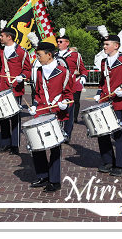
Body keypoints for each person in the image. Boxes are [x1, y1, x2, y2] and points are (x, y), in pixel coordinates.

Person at [27, 40, 73, 192]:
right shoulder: (39, 71)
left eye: (39, 55)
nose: (37, 58)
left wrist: (65, 103)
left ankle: (54, 180)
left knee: (54, 147)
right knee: (37, 145)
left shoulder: (64, 72)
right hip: (41, 111)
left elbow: (68, 94)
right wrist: (34, 105)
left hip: (57, 113)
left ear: (49, 55)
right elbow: (38, 93)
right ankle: (42, 176)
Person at [93, 26, 122, 177]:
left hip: (119, 102)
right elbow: (102, 82)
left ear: (116, 46)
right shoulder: (103, 62)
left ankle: (119, 165)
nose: (104, 47)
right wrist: (99, 93)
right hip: (105, 102)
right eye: (104, 44)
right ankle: (107, 161)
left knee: (118, 134)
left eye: (107, 45)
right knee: (102, 133)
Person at [0, 22, 31, 155]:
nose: (0, 37)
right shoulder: (1, 51)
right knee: (3, 116)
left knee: (15, 117)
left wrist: (22, 76)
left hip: (15, 88)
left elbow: (28, 69)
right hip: (2, 88)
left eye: (2, 35)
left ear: (9, 37)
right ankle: (5, 143)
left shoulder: (21, 51)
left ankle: (15, 144)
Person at [55, 28, 88, 142]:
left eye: (60, 41)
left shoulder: (75, 55)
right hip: (57, 87)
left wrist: (83, 77)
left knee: (69, 111)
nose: (58, 43)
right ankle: (58, 132)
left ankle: (67, 134)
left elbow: (83, 70)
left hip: (71, 86)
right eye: (57, 41)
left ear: (67, 43)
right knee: (57, 110)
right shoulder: (54, 55)